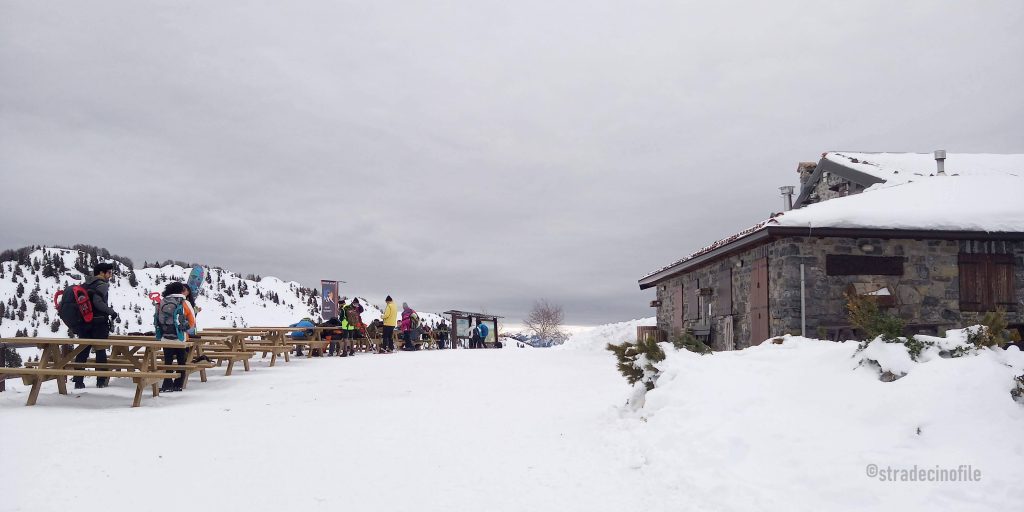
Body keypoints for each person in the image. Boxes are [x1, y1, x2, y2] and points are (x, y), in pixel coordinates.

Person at [71, 262, 120, 389]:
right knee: (100, 351)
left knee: (82, 351)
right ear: (101, 273)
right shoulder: (102, 285)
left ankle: (78, 380)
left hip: (84, 323)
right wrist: (111, 312)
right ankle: (101, 380)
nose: (110, 275)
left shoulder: (85, 285)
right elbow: (98, 303)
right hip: (99, 323)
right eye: (109, 273)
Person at [154, 281, 197, 392]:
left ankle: (167, 384)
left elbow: (157, 319)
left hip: (165, 337)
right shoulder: (184, 302)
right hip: (180, 338)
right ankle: (178, 384)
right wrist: (183, 328)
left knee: (168, 361)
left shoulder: (162, 301)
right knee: (180, 361)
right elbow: (192, 321)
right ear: (180, 291)